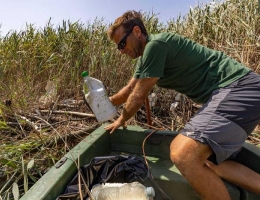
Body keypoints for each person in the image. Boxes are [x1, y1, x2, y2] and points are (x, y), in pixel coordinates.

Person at [104, 10, 260, 200]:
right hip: (238, 92)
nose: (121, 50)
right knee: (210, 163)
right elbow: (130, 89)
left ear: (137, 32)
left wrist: (121, 119)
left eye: (122, 43)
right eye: (118, 47)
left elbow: (137, 97)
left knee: (183, 154)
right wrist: (106, 101)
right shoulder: (146, 58)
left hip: (238, 88)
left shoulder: (155, 46)